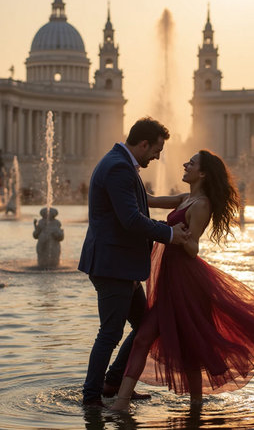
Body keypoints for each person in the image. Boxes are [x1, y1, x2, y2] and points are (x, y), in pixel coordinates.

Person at [111, 150, 254, 411]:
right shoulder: (186, 198)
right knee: (145, 339)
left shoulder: (202, 204)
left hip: (186, 283)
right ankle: (123, 402)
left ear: (203, 173)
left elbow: (194, 248)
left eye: (192, 163)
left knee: (189, 347)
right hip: (171, 279)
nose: (185, 164)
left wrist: (179, 237)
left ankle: (195, 406)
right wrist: (130, 172)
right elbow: (149, 199)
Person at [78, 117, 191, 407]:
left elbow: (141, 200)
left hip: (120, 265)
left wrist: (175, 200)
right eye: (156, 149)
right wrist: (169, 234)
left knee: (145, 325)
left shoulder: (121, 162)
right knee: (110, 333)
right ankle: (91, 397)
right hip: (113, 266)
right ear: (143, 144)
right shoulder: (119, 167)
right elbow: (130, 219)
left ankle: (114, 381)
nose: (158, 156)